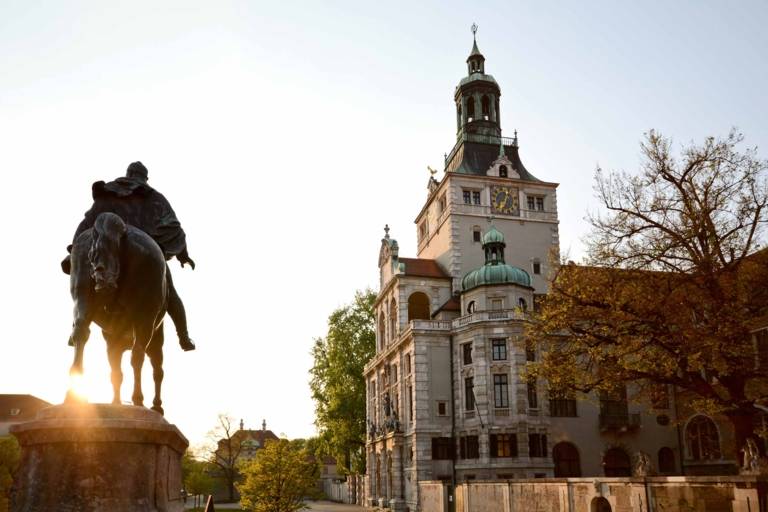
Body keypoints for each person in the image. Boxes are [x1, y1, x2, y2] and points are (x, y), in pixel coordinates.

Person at [62, 161, 196, 351]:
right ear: (144, 177)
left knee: (82, 286)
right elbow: (173, 226)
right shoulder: (153, 197)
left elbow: (88, 222)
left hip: (104, 250)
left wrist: (74, 251)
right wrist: (183, 254)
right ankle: (184, 336)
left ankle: (78, 324)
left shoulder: (107, 193)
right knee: (170, 294)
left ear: (128, 173)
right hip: (144, 250)